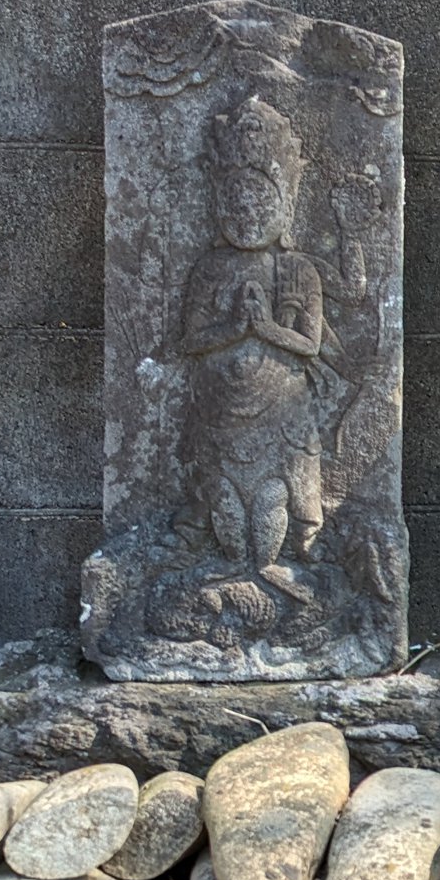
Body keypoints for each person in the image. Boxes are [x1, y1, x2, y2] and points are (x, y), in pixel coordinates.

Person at [176, 93, 330, 595]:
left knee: (271, 496)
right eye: (235, 200)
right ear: (217, 202)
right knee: (221, 493)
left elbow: (309, 344)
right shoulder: (210, 268)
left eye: (261, 200)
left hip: (280, 411)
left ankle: (271, 563)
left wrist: (262, 328)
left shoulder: (297, 269)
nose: (247, 211)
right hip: (221, 407)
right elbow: (191, 339)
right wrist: (235, 329)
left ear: (286, 204)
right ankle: (229, 562)